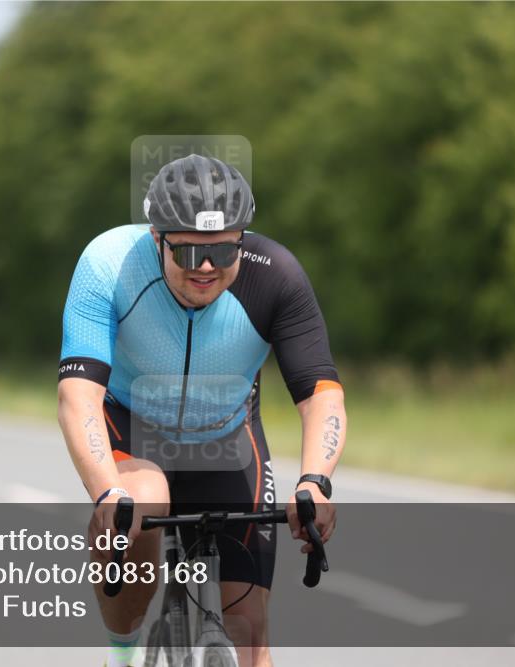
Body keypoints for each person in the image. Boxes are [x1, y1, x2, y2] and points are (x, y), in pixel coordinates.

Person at [57, 154, 347, 667]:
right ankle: (121, 655)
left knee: (251, 637)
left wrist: (315, 481)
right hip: (133, 430)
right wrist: (107, 489)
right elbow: (78, 395)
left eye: (222, 251)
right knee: (141, 503)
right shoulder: (109, 263)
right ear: (156, 238)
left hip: (226, 438)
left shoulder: (275, 276)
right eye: (189, 253)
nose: (207, 268)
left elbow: (321, 393)